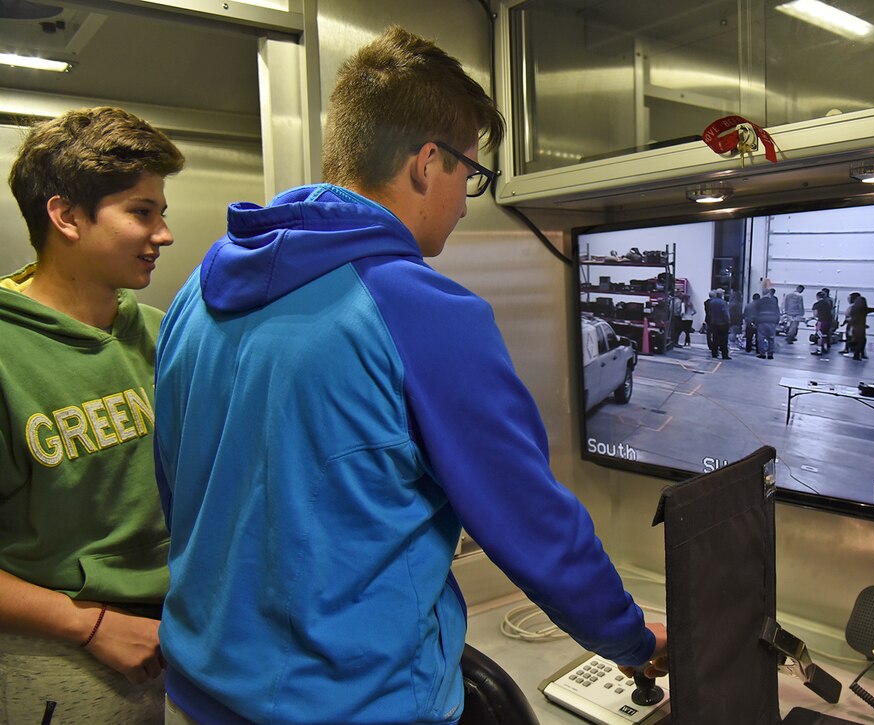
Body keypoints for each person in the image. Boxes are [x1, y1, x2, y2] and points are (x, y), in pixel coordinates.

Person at [153, 27, 667, 725]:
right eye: (470, 176)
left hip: (194, 694)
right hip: (353, 705)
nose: (465, 201)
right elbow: (529, 517)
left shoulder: (197, 292)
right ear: (429, 162)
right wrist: (628, 635)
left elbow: (181, 489)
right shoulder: (419, 308)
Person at [0, 107, 185, 722]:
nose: (163, 234)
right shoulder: (7, 353)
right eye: (141, 212)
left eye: (162, 212)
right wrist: (90, 625)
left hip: (177, 644)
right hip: (61, 657)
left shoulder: (165, 337)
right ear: (66, 216)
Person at [845, 292, 874, 360]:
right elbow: (873, 309)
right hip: (861, 328)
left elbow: (852, 318)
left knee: (858, 341)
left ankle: (856, 353)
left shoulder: (854, 308)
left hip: (855, 328)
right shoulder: (864, 309)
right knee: (861, 341)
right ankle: (859, 354)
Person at [754, 288, 780, 359]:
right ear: (769, 293)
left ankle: (762, 353)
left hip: (762, 321)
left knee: (761, 338)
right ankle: (770, 354)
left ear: (762, 293)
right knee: (771, 338)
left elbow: (756, 313)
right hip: (772, 322)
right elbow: (777, 312)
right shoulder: (774, 301)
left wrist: (755, 322)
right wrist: (777, 321)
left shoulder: (759, 302)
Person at [706, 289, 731, 359]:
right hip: (723, 323)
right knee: (724, 339)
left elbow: (710, 313)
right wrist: (728, 321)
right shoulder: (723, 303)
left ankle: (714, 353)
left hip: (714, 323)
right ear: (721, 295)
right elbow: (725, 313)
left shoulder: (712, 302)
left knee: (715, 339)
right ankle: (724, 354)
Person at [811, 289, 835, 356]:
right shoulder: (828, 304)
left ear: (817, 297)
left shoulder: (816, 304)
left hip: (821, 321)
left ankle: (819, 350)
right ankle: (825, 348)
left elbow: (815, 314)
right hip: (828, 321)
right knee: (825, 335)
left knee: (820, 335)